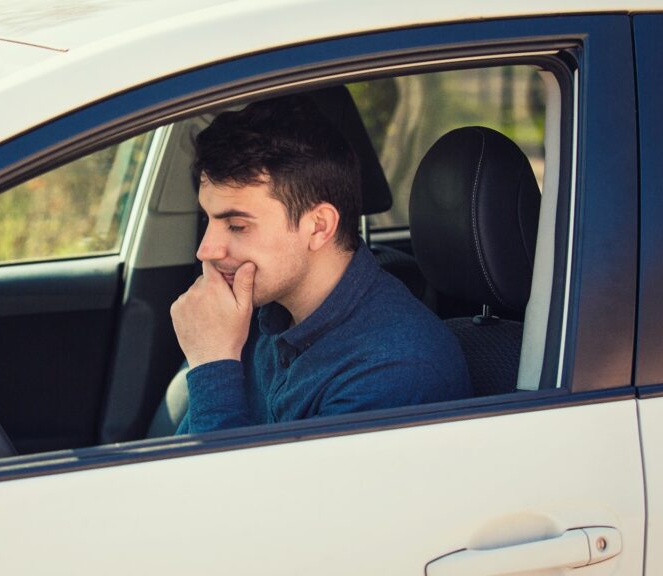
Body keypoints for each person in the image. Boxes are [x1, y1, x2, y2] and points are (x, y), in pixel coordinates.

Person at [170, 95, 470, 434]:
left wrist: (213, 364)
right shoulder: (258, 313)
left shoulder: (394, 371)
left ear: (319, 226)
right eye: (208, 219)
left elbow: (223, 487)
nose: (205, 250)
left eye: (237, 226)